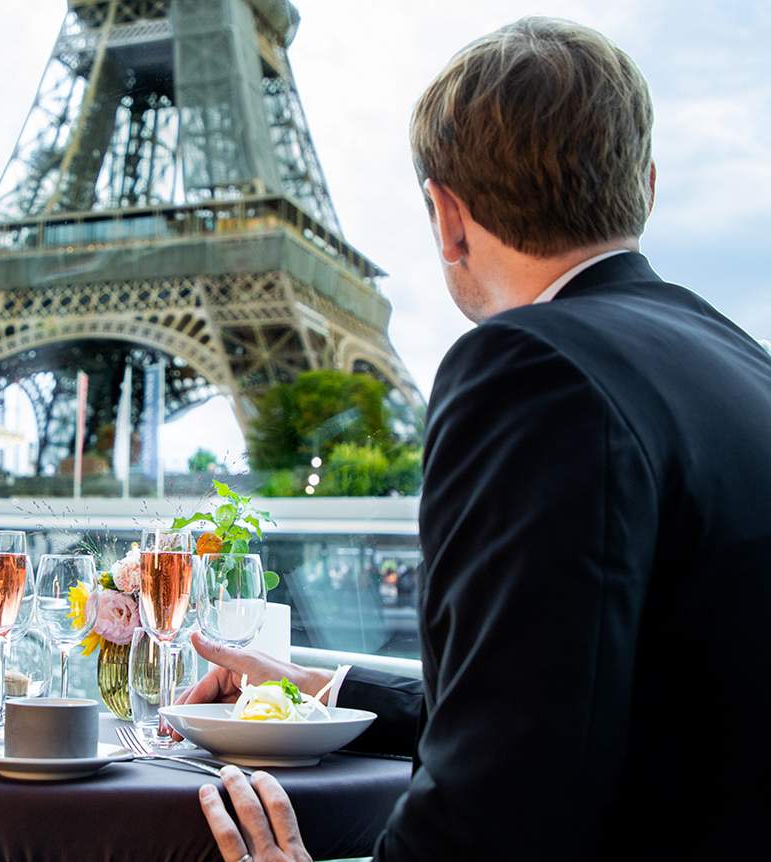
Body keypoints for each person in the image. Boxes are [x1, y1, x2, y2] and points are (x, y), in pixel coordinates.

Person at [189, 16, 771, 862]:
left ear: (446, 213)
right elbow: (573, 704)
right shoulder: (739, 362)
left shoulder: (531, 367)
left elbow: (505, 801)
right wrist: (322, 689)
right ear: (644, 187)